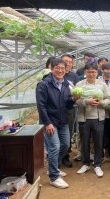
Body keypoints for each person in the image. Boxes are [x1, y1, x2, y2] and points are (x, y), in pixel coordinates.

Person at [36, 58, 76, 189]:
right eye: (57, 68)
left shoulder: (65, 84)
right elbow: (41, 106)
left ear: (66, 70)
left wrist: (73, 100)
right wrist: (47, 123)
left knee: (65, 144)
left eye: (62, 68)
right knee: (54, 147)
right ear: (51, 69)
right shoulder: (43, 84)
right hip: (50, 122)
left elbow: (67, 103)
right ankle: (54, 177)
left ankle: (53, 167)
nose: (60, 71)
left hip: (62, 121)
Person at [75, 62, 110, 178]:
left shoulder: (102, 85)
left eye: (94, 72)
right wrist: (86, 102)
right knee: (84, 142)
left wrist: (101, 103)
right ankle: (85, 163)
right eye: (89, 71)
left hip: (98, 118)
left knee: (98, 142)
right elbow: (75, 100)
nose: (91, 74)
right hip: (84, 118)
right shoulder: (79, 85)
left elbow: (108, 98)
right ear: (85, 72)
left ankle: (97, 165)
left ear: (97, 72)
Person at [61, 54, 79, 168]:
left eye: (70, 62)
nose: (68, 63)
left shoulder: (74, 76)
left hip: (70, 108)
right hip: (56, 109)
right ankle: (56, 156)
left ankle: (65, 156)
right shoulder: (55, 75)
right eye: (65, 61)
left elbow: (77, 90)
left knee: (68, 132)